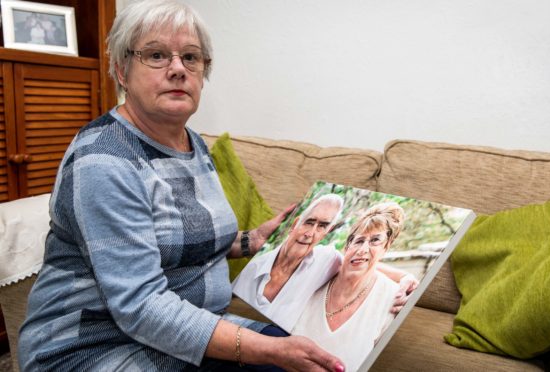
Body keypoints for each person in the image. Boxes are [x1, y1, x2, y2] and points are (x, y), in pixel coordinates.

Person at [17, 1, 345, 371]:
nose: (177, 69)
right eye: (156, 55)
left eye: (191, 57)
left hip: (182, 330)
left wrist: (253, 239)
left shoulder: (192, 142)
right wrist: (265, 350)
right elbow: (141, 306)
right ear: (122, 71)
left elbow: (184, 241)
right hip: (93, 347)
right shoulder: (104, 160)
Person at [233, 195, 418, 332]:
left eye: (321, 226)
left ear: (326, 233)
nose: (310, 233)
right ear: (295, 223)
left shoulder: (324, 259)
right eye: (309, 222)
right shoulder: (255, 267)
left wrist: (405, 277)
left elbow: (360, 261)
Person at [292, 202, 408, 372]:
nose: (363, 249)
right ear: (346, 247)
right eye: (359, 241)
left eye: (375, 240)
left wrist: (406, 277)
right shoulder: (319, 273)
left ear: (386, 247)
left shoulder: (393, 297)